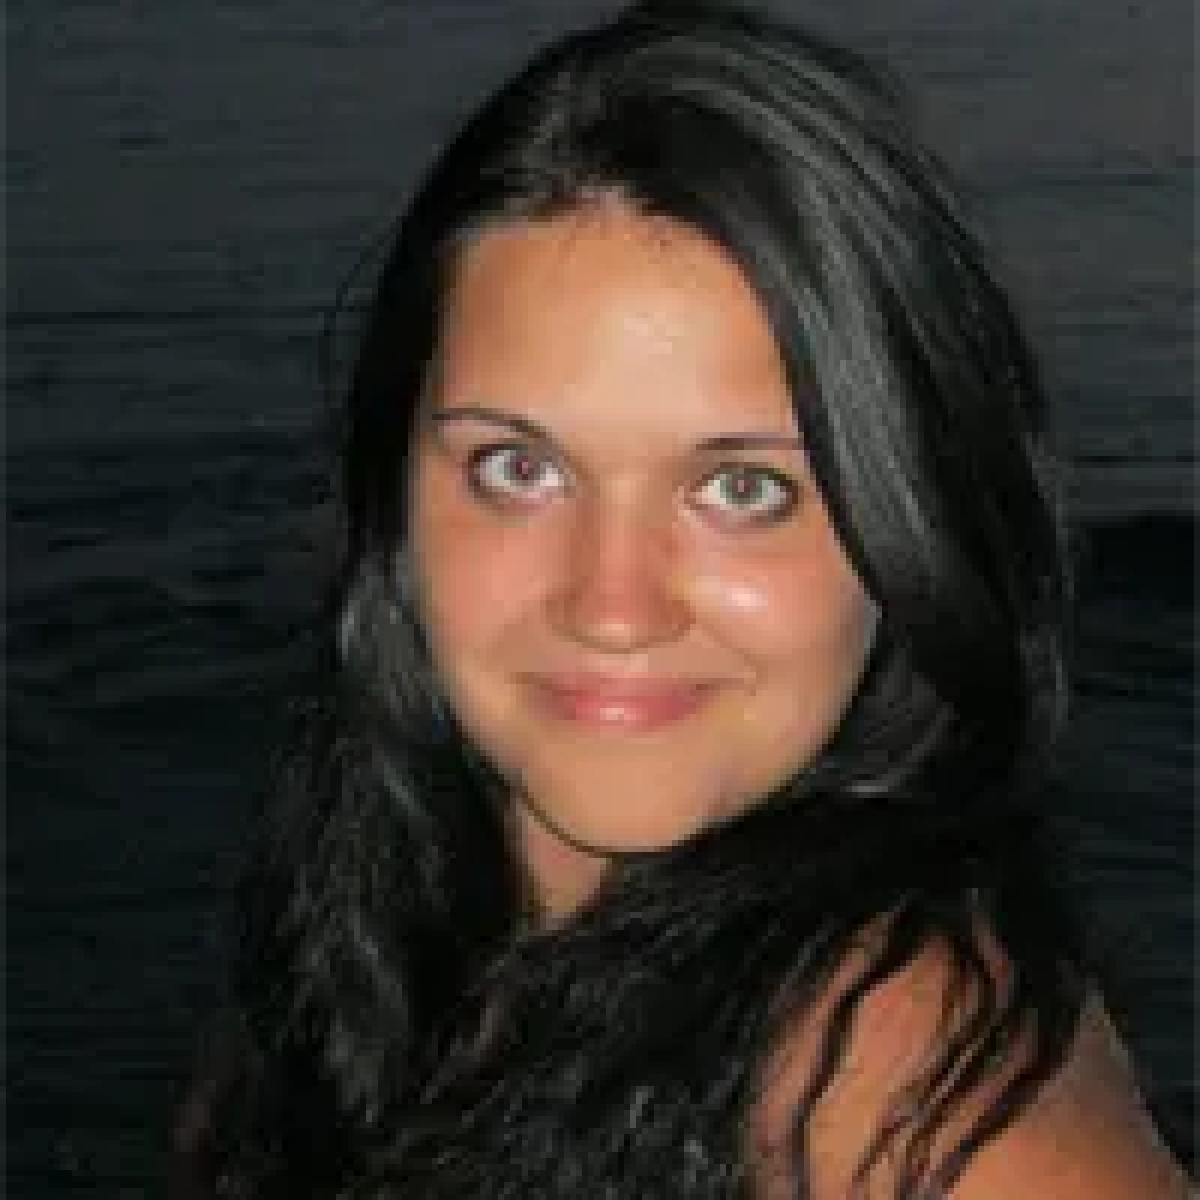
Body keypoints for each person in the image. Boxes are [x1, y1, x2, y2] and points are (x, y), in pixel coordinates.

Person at [171, 2, 1192, 1196]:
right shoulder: (362, 930)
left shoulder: (897, 1077)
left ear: (910, 524)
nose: (613, 606)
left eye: (744, 489)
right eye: (519, 468)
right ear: (394, 492)